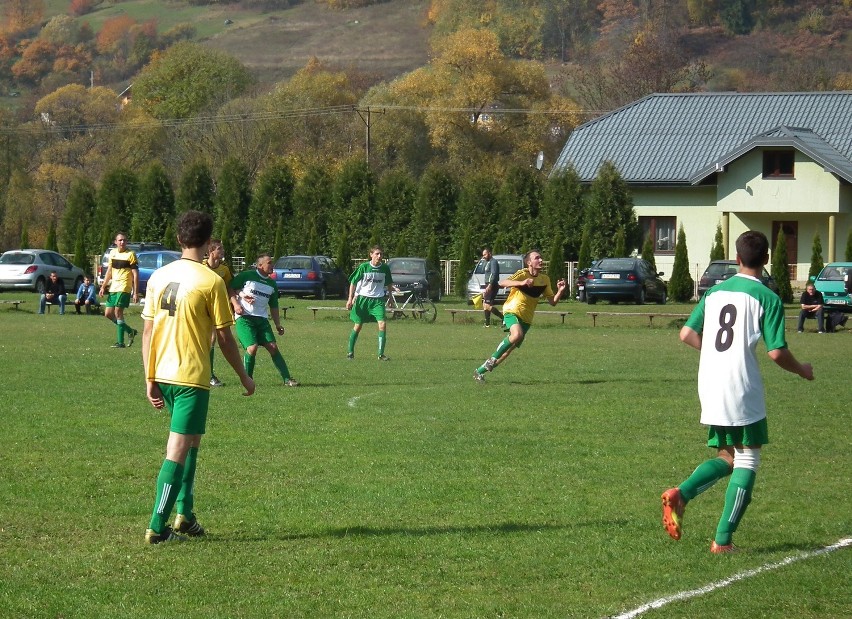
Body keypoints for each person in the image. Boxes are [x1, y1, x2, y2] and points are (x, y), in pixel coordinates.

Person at [662, 230, 814, 554]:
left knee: (729, 456)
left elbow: (687, 334)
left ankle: (681, 494)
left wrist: (714, 355)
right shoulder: (768, 298)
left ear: (737, 259)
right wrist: (802, 369)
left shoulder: (714, 293)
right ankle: (723, 540)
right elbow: (776, 352)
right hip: (740, 385)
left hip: (710, 382)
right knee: (749, 459)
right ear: (767, 260)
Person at [141, 210, 255, 544]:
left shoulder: (159, 276)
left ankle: (184, 515)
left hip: (162, 372)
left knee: (191, 442)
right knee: (177, 448)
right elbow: (223, 337)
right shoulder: (211, 281)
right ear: (208, 244)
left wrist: (149, 377)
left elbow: (148, 331)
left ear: (179, 239)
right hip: (190, 376)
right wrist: (244, 378)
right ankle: (157, 527)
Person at [474, 250, 566, 382]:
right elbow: (503, 283)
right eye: (537, 258)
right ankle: (492, 359)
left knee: (508, 350)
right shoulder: (522, 274)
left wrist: (560, 291)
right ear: (529, 262)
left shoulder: (545, 279)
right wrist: (521, 283)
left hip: (527, 318)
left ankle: (479, 372)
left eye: (541, 258)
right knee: (517, 335)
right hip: (512, 310)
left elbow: (553, 302)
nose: (540, 260)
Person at [229, 253, 299, 386]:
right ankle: (247, 379)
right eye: (269, 263)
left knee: (273, 347)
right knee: (252, 348)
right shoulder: (247, 275)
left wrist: (278, 324)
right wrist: (236, 304)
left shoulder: (272, 284)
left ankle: (287, 379)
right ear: (260, 265)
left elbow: (274, 306)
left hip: (262, 320)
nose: (272, 265)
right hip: (245, 318)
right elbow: (230, 288)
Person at [346, 246, 394, 361]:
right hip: (363, 300)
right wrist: (350, 298)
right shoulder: (364, 267)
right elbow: (353, 282)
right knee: (358, 326)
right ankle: (350, 352)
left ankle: (381, 354)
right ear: (371, 255)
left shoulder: (385, 268)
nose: (379, 256)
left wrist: (391, 298)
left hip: (378, 300)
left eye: (381, 254)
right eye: (377, 254)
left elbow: (389, 284)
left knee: (382, 324)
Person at [99, 233, 140, 348]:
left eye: (124, 240)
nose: (122, 242)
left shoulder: (131, 255)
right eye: (120, 240)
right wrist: (103, 286)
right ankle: (130, 331)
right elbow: (109, 271)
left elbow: (135, 274)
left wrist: (135, 292)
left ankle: (120, 342)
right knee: (108, 314)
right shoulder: (112, 253)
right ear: (115, 242)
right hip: (114, 288)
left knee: (118, 312)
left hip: (124, 287)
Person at [205, 239, 233, 387]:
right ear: (211, 251)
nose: (222, 252)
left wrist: (234, 302)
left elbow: (229, 288)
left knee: (212, 340)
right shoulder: (201, 266)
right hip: (201, 307)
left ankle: (209, 374)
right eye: (219, 249)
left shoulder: (224, 270)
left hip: (216, 309)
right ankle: (206, 374)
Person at [479, 247, 504, 327]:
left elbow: (493, 274)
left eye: (485, 254)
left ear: (489, 253)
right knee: (485, 304)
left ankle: (504, 319)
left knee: (488, 305)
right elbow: (485, 270)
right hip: (488, 284)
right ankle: (487, 323)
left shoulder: (493, 262)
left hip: (492, 285)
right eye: (483, 255)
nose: (484, 256)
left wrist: (490, 285)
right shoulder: (487, 262)